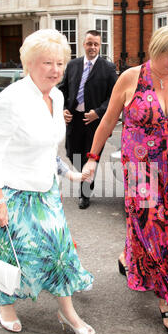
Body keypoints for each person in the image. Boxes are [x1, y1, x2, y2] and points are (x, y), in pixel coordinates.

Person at [83, 25, 168, 334]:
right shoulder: (131, 78)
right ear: (154, 51)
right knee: (154, 227)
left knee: (164, 226)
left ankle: (129, 256)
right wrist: (92, 157)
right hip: (139, 167)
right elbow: (109, 121)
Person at [0, 29, 95, 334]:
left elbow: (47, 148)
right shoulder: (10, 100)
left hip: (45, 191)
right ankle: (5, 304)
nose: (55, 70)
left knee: (59, 250)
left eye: (60, 63)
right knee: (10, 253)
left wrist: (69, 172)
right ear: (29, 63)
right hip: (11, 192)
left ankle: (67, 311)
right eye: (47, 63)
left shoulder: (56, 97)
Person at [59, 30, 118, 209]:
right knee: (71, 152)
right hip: (74, 119)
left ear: (100, 46)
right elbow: (62, 90)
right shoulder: (73, 65)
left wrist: (98, 112)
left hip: (95, 123)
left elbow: (114, 97)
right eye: (89, 43)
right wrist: (62, 109)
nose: (92, 47)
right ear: (83, 44)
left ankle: (85, 191)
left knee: (90, 156)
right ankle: (85, 175)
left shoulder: (107, 68)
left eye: (96, 44)